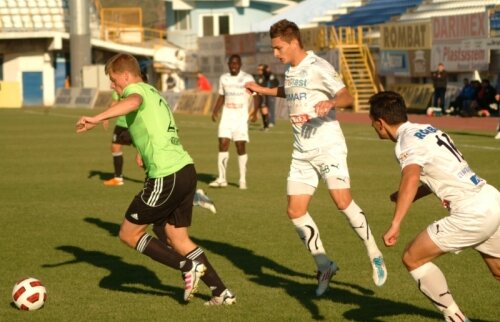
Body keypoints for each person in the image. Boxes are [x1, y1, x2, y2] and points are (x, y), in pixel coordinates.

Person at [76, 53, 235, 305]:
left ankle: (186, 267)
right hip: (185, 170)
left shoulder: (137, 91)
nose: (111, 85)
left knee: (128, 234)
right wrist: (141, 151)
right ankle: (221, 292)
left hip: (166, 175)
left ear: (126, 76)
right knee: (177, 237)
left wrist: (97, 118)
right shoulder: (153, 92)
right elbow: (153, 126)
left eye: (114, 79)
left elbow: (133, 101)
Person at [245, 19, 387, 296]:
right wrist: (262, 90)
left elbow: (347, 95)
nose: (275, 54)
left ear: (294, 42)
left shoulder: (319, 66)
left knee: (341, 201)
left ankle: (374, 252)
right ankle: (325, 265)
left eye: (278, 48)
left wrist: (331, 102)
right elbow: (293, 91)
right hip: (301, 150)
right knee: (295, 211)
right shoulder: (291, 69)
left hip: (328, 145)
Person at [368, 91, 500, 322]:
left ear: (380, 123)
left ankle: (456, 319)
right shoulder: (428, 128)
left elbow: (411, 177)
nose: (372, 127)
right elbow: (440, 173)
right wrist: (410, 195)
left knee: (412, 257)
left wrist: (395, 223)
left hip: (471, 212)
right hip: (490, 199)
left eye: (372, 123)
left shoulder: (405, 142)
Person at [209, 54, 255, 190]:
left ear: (240, 64)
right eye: (231, 63)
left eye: (236, 63)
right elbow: (222, 95)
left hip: (241, 117)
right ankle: (222, 178)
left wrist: (255, 111)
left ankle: (242, 179)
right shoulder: (224, 78)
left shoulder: (247, 78)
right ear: (228, 64)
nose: (234, 66)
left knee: (240, 146)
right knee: (222, 143)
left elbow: (256, 95)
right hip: (227, 117)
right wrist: (215, 110)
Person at [102, 72, 148, 186]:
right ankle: (118, 178)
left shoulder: (140, 91)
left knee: (144, 154)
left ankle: (154, 177)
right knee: (115, 146)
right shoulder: (119, 89)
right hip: (121, 123)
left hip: (134, 124)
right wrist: (105, 116)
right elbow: (115, 102)